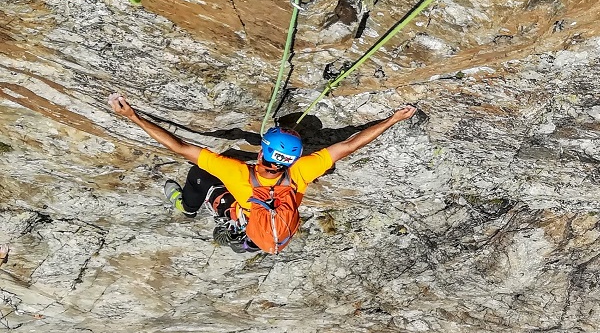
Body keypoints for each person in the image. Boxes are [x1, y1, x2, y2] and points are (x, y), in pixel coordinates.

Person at [107, 93, 418, 253]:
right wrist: (393, 119)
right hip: (266, 220)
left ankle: (186, 208)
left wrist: (132, 115)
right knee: (228, 200)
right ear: (295, 157)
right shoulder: (301, 172)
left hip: (247, 209)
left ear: (261, 151)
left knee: (200, 178)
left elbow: (179, 146)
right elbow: (350, 145)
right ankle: (241, 232)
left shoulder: (234, 170)